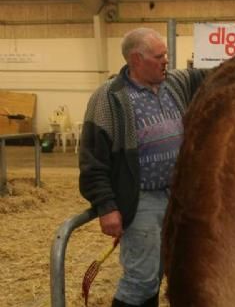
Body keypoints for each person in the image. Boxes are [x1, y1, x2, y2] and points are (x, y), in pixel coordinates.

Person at [79, 27, 209, 307]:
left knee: (167, 269)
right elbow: (92, 159)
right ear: (136, 60)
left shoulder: (174, 83)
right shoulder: (109, 98)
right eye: (159, 56)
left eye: (166, 54)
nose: (166, 61)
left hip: (176, 196)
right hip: (142, 199)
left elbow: (211, 76)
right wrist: (106, 206)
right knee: (142, 279)